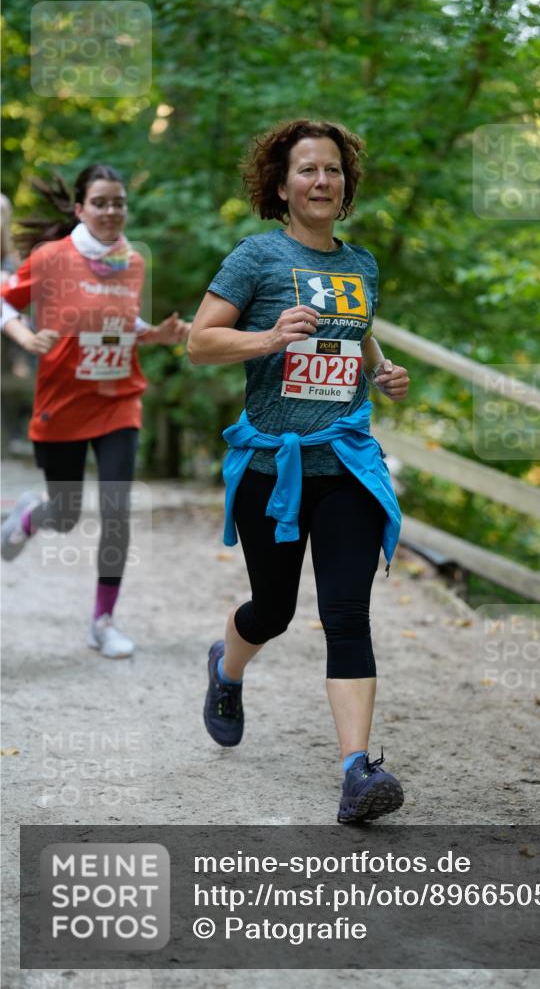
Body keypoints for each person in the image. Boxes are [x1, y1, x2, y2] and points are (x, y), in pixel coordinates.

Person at [188, 119, 410, 823]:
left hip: (346, 462)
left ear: (346, 187)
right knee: (274, 611)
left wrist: (380, 371)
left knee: (346, 613)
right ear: (281, 185)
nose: (322, 181)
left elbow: (357, 325)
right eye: (307, 170)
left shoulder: (361, 264)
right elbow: (199, 343)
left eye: (333, 171)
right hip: (272, 468)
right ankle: (225, 669)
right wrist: (268, 336)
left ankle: (355, 771)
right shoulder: (255, 257)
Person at [0, 164, 190, 657]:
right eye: (102, 202)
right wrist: (25, 335)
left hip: (118, 399)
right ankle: (30, 515)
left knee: (116, 511)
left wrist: (156, 334)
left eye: (119, 203)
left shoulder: (132, 261)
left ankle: (103, 620)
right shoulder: (50, 259)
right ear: (81, 209)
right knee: (64, 515)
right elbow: (5, 302)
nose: (112, 211)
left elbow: (122, 320)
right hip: (62, 403)